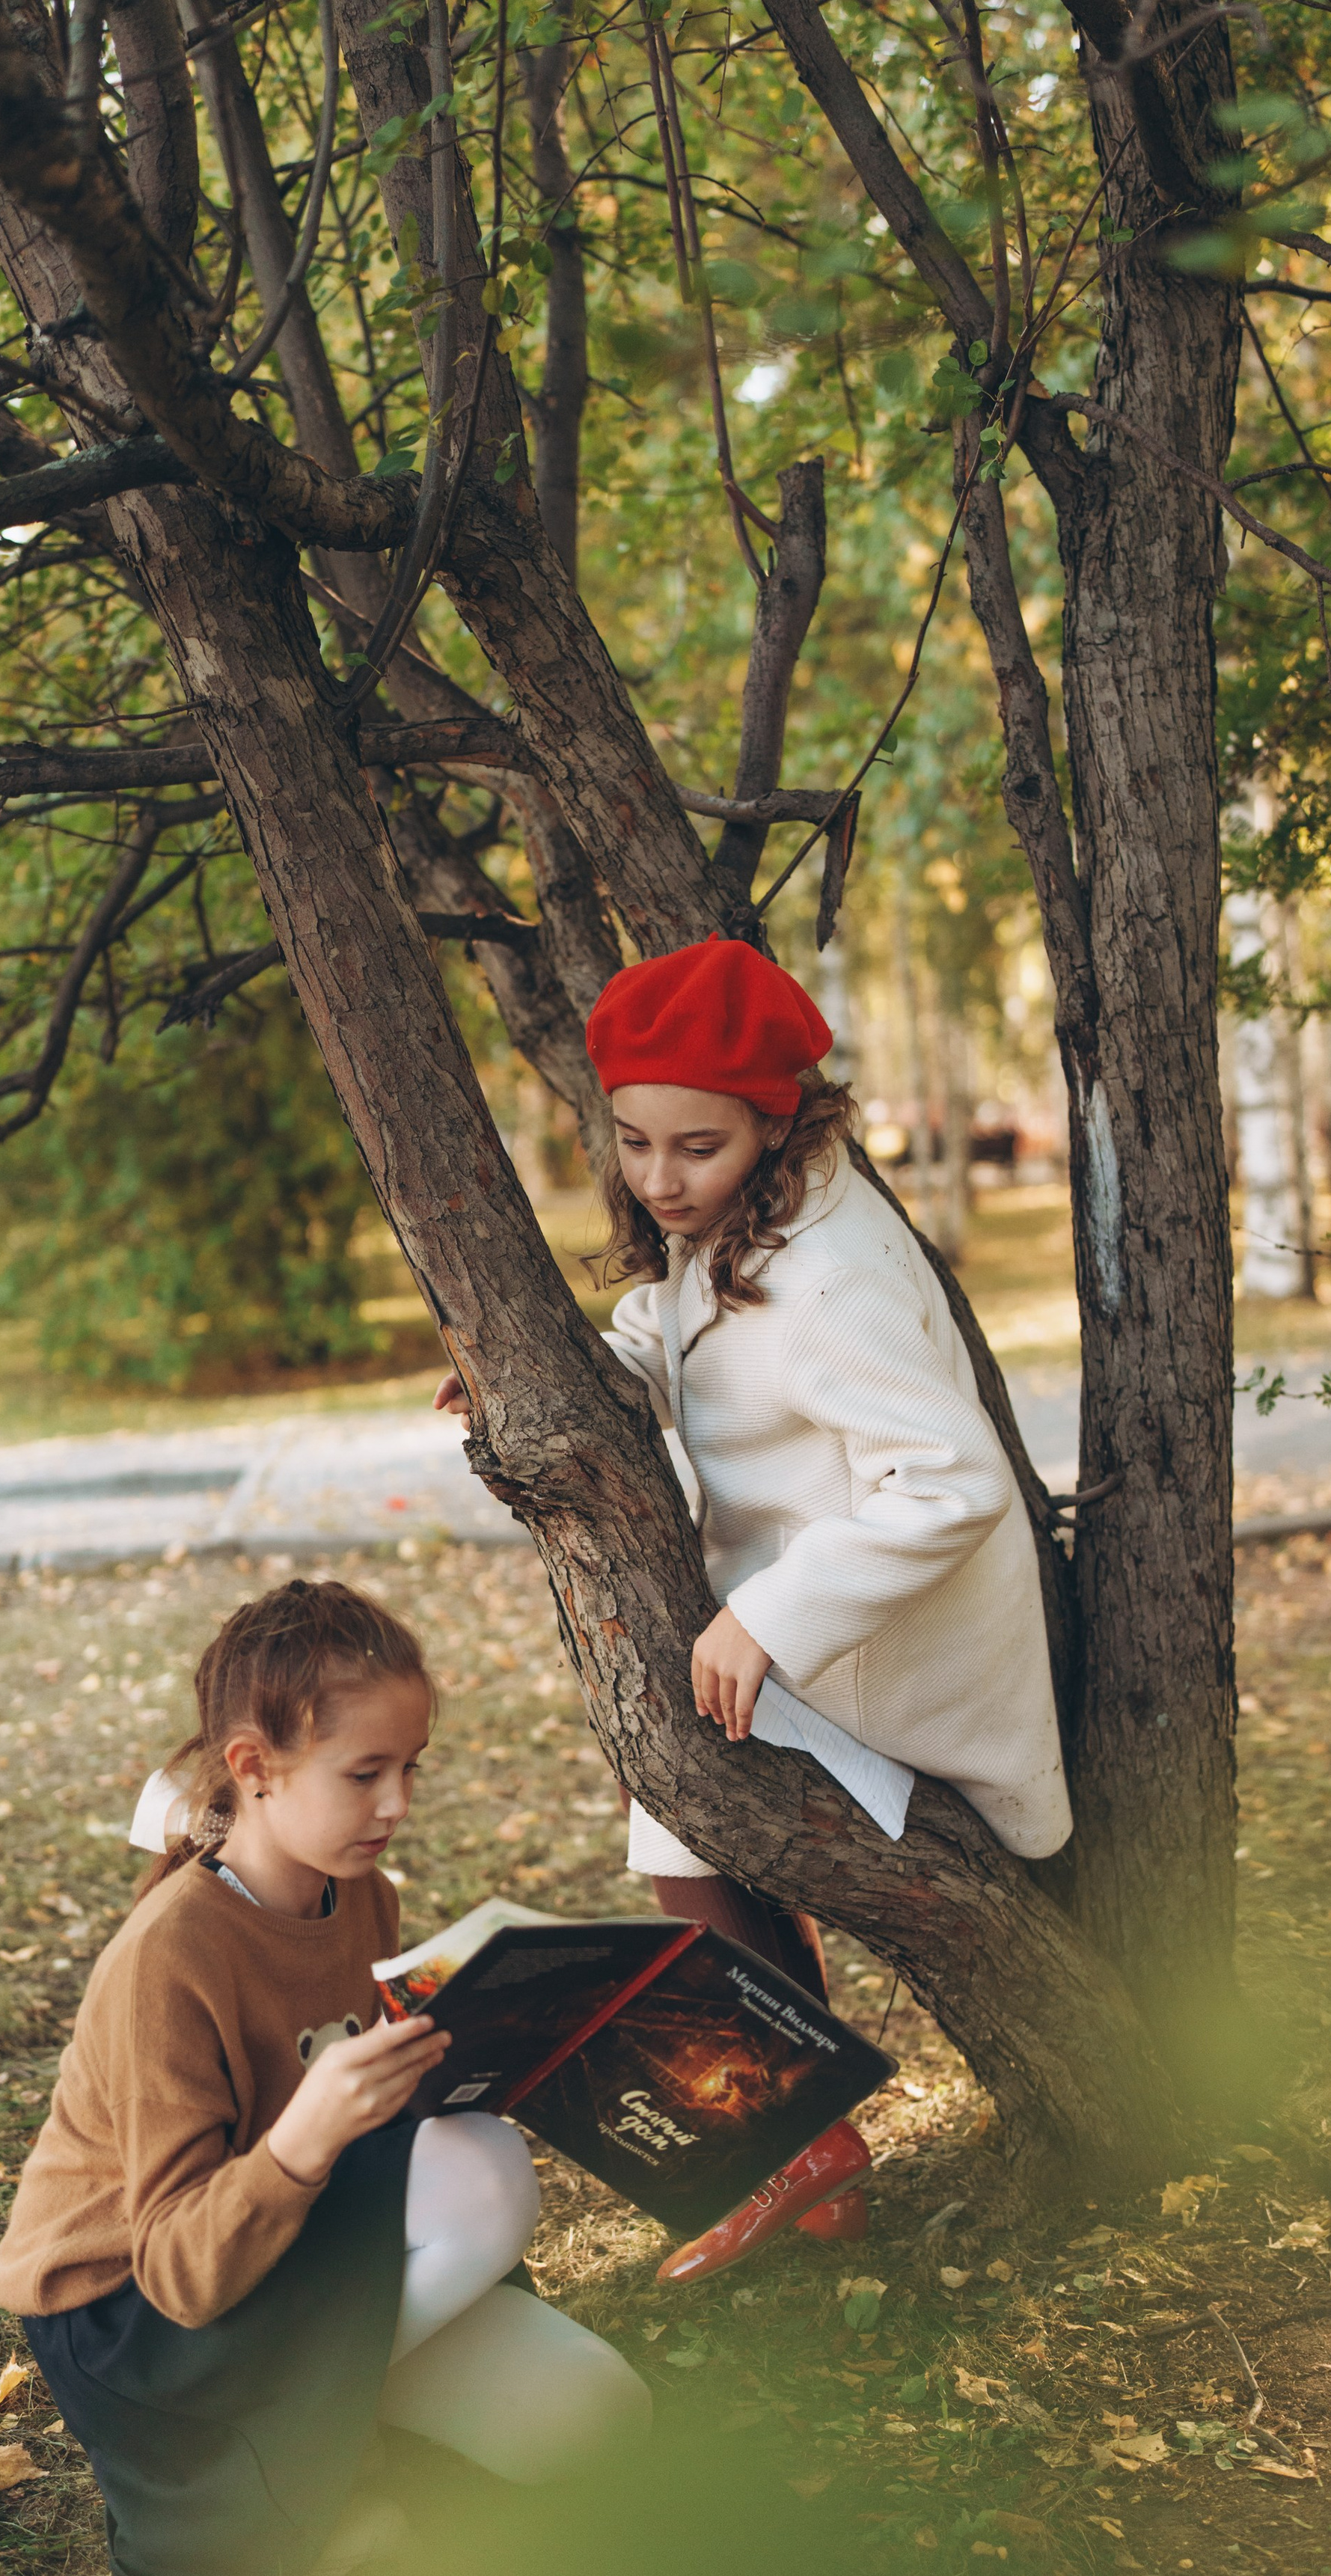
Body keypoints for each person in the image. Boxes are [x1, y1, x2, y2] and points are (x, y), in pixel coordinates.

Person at [437, 934, 1071, 2283]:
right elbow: (693, 1346)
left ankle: (788, 2140)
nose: (660, 1181)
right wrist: (563, 1380)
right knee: (697, 1817)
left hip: (898, 1643)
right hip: (824, 1618)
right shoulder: (745, 1220)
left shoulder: (833, 1275)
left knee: (680, 1808)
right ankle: (805, 2148)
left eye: (696, 1148)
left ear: (777, 1122)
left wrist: (775, 1618)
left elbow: (948, 1483)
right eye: (634, 1143)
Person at [0, 1577, 649, 2576]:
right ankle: (251, 2485)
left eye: (411, 1769)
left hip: (288, 2254)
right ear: (253, 1768)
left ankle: (323, 2426)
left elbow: (380, 2140)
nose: (397, 1805)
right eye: (365, 1773)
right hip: (138, 2324)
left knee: (600, 2418)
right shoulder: (169, 1958)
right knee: (483, 2175)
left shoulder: (363, 1898)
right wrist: (309, 2133)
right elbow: (178, 2272)